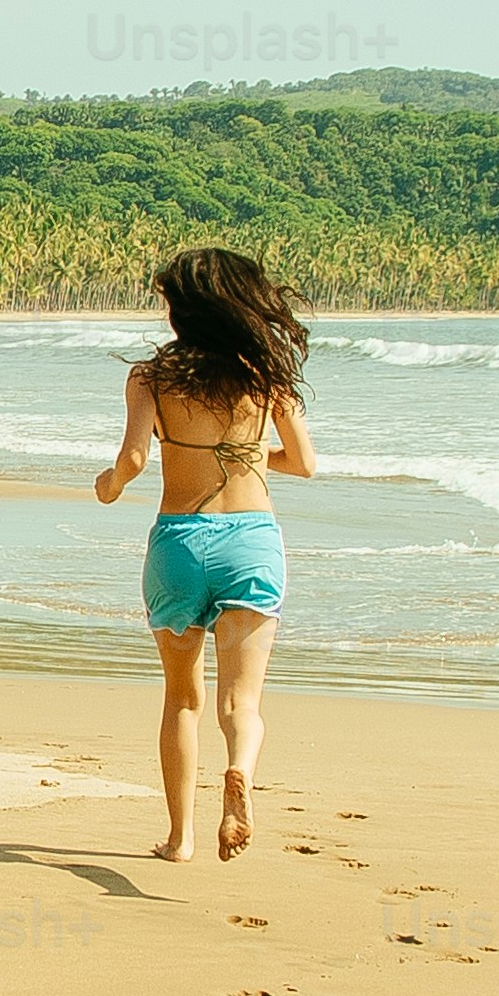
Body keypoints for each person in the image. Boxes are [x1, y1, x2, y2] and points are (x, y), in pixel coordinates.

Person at [91, 244, 311, 861]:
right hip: (250, 539)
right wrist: (251, 453)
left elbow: (133, 460)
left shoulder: (151, 376)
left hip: (179, 543)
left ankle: (180, 838)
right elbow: (305, 463)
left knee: (181, 699)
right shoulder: (266, 375)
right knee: (241, 704)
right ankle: (239, 768)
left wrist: (107, 488)